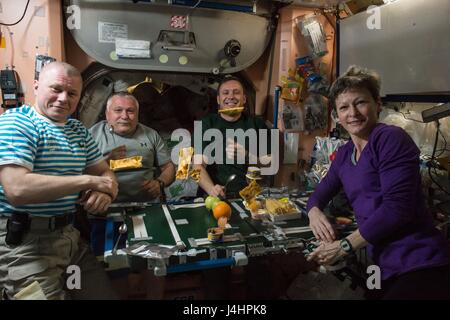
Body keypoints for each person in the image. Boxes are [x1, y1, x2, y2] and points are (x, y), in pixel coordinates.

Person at [306, 65, 450, 299]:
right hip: (383, 266)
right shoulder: (344, 153)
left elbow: (396, 210)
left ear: (377, 105)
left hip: (418, 262)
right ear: (336, 117)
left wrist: (343, 246)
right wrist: (314, 213)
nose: (352, 112)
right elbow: (319, 193)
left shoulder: (390, 139)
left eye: (360, 102)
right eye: (344, 107)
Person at [0, 62, 119, 300]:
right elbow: (18, 188)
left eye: (72, 93)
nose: (63, 98)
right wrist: (87, 181)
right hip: (24, 247)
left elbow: (106, 174)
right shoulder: (17, 123)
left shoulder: (78, 130)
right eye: (56, 89)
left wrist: (106, 192)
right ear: (36, 86)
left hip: (68, 240)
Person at [193, 76, 271, 198]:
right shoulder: (204, 124)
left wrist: (247, 156)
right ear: (218, 99)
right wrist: (212, 189)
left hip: (249, 197)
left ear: (244, 99)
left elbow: (270, 163)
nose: (231, 96)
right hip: (212, 196)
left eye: (236, 92)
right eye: (225, 93)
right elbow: (196, 167)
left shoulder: (257, 124)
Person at [89, 92, 175, 203]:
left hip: (146, 205)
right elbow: (79, 173)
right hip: (105, 206)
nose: (124, 116)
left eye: (130, 111)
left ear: (137, 114)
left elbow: (168, 167)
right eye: (118, 110)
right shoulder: (92, 135)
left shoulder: (151, 135)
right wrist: (106, 161)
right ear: (107, 113)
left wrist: (160, 183)